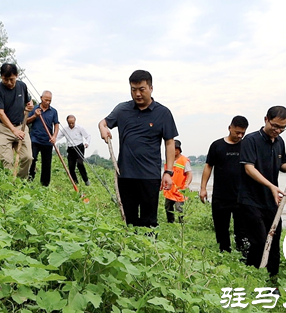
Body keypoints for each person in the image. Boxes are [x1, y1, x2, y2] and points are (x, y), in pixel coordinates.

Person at [98, 70, 178, 227]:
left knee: (149, 221)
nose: (137, 94)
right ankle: (130, 250)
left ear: (151, 88)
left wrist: (168, 172)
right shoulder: (122, 110)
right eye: (133, 90)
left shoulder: (163, 113)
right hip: (126, 175)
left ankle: (149, 249)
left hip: (150, 176)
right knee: (129, 220)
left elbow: (169, 143)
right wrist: (103, 129)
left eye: (141, 89)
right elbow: (103, 122)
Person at [237, 106, 286, 282]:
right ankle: (253, 277)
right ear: (266, 119)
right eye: (275, 126)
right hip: (250, 199)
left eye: (282, 128)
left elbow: (281, 166)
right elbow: (249, 168)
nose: (278, 130)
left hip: (271, 201)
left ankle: (273, 279)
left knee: (274, 239)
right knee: (258, 241)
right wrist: (271, 186)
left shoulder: (279, 141)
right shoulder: (250, 140)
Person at [199, 115, 249, 252]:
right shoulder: (217, 145)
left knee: (242, 229)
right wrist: (203, 188)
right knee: (221, 228)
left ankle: (242, 252)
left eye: (242, 133)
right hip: (221, 195)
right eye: (237, 132)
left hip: (242, 196)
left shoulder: (246, 145)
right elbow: (208, 166)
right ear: (230, 128)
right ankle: (224, 252)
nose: (239, 136)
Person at [0, 63, 34, 178]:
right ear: (1, 77)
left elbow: (29, 102)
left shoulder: (22, 86)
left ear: (17, 75)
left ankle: (20, 182)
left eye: (11, 79)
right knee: (7, 161)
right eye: (6, 80)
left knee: (28, 157)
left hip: (21, 127)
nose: (9, 83)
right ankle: (8, 184)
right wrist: (13, 130)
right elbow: (0, 113)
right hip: (4, 129)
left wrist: (30, 105)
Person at [27, 91, 59, 186]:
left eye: (50, 100)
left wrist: (54, 136)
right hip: (34, 139)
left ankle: (44, 184)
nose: (48, 102)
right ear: (41, 98)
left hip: (48, 141)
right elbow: (26, 121)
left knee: (47, 163)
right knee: (32, 159)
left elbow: (56, 125)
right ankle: (29, 179)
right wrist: (35, 116)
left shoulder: (53, 111)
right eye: (46, 100)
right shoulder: (34, 109)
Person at [57, 115, 92, 186]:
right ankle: (75, 183)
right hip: (70, 149)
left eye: (72, 123)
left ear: (75, 121)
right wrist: (53, 140)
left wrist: (87, 143)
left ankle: (86, 180)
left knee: (80, 164)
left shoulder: (79, 128)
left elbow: (88, 136)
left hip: (79, 148)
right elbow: (58, 136)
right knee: (71, 167)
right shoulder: (65, 129)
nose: (71, 125)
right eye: (69, 123)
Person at [163, 140, 192, 223]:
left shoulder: (184, 161)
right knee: (168, 207)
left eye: (175, 149)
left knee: (179, 209)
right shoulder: (168, 160)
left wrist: (187, 184)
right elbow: (165, 172)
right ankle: (170, 222)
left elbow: (189, 174)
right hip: (169, 189)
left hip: (180, 190)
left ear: (178, 150)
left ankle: (181, 224)